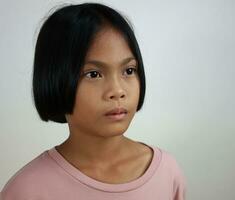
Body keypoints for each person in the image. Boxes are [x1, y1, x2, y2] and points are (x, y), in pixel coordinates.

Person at [0, 2, 186, 200]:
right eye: (94, 74)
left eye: (129, 71)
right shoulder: (26, 190)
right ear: (55, 78)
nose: (117, 90)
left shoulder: (166, 172)